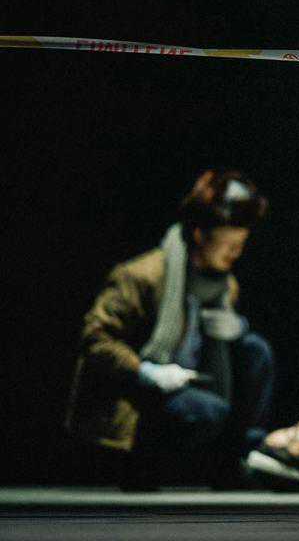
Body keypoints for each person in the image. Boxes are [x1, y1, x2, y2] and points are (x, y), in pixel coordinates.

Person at [64, 170, 272, 489]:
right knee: (206, 411)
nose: (236, 253)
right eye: (229, 244)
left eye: (241, 244)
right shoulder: (144, 275)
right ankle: (139, 464)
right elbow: (95, 338)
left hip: (190, 382)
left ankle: (233, 460)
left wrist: (233, 332)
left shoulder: (225, 286)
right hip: (138, 393)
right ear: (200, 235)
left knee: (255, 350)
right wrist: (145, 371)